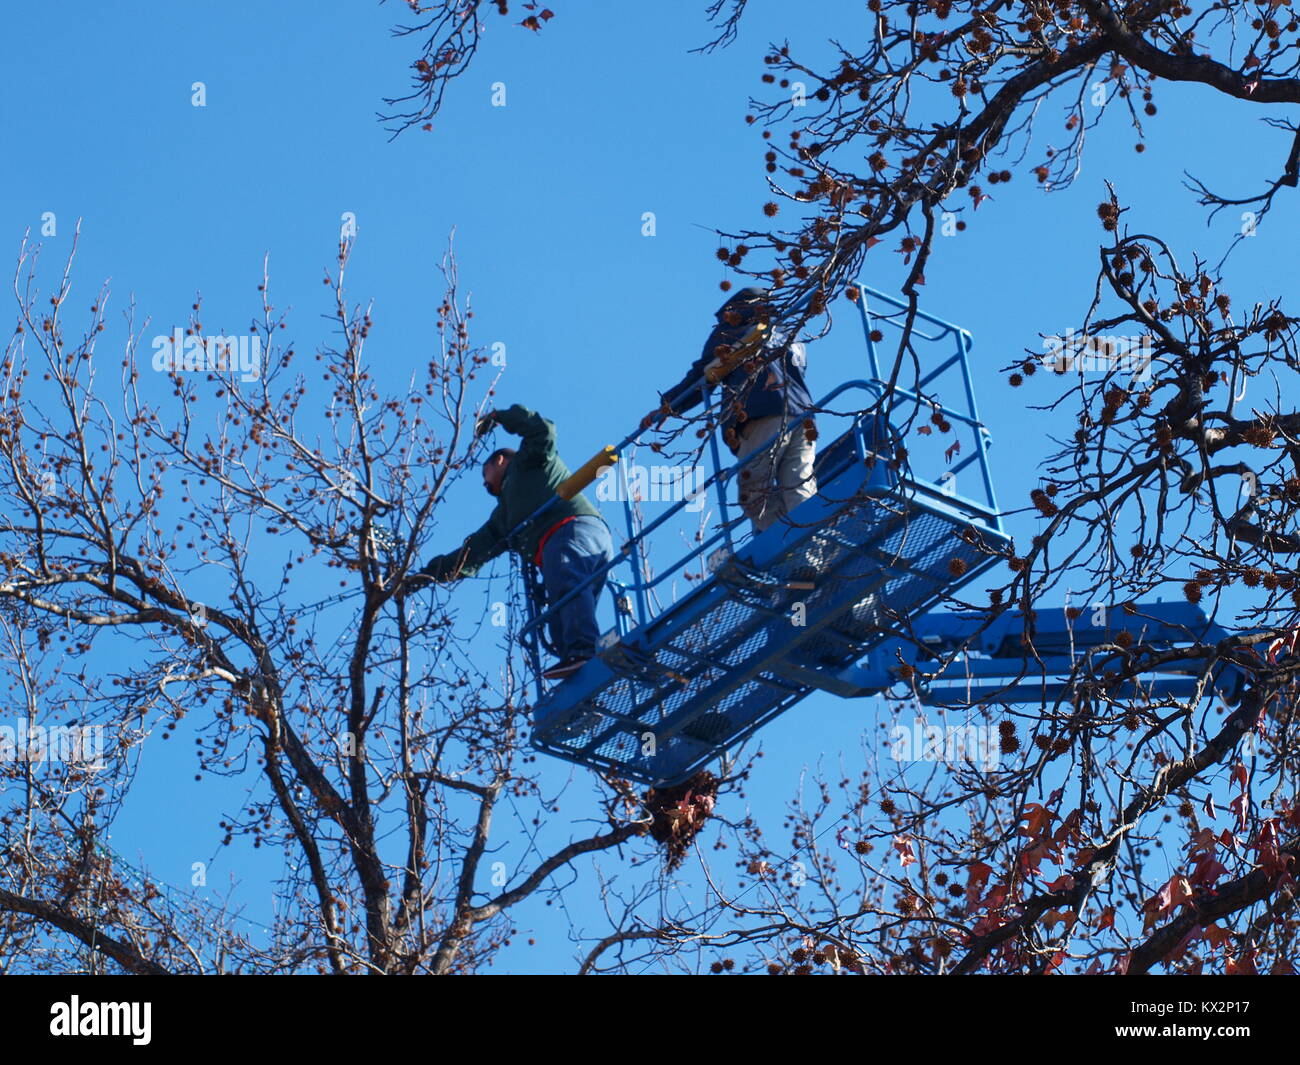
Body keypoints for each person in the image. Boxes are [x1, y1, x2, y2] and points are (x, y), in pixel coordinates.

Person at [404, 404, 614, 681]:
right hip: (573, 544)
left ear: (500, 460)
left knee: (568, 587)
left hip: (572, 531)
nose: (483, 485)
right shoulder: (504, 517)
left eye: (484, 474)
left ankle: (582, 652)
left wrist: (498, 416)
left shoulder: (531, 461)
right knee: (561, 613)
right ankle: (580, 668)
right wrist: (423, 577)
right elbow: (471, 554)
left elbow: (543, 430)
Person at [645, 287, 816, 533]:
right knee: (799, 485)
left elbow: (703, 376)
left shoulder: (732, 330)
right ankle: (814, 546)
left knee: (753, 493)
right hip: (803, 416)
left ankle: (788, 546)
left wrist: (669, 406)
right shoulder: (791, 334)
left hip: (761, 415)